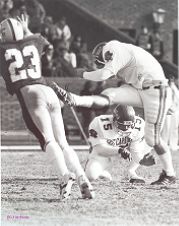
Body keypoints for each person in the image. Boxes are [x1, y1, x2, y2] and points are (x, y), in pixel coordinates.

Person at [52, 40, 176, 185]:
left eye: (102, 61)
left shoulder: (113, 48)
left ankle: (170, 174)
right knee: (109, 93)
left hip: (155, 91)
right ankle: (75, 99)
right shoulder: (124, 53)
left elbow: (104, 74)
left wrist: (84, 74)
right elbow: (113, 76)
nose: (103, 63)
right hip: (143, 90)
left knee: (152, 139)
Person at [0, 15, 94, 199]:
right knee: (63, 142)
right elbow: (44, 42)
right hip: (48, 89)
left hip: (31, 94)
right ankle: (84, 179)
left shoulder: (2, 49)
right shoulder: (34, 41)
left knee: (48, 140)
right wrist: (26, 30)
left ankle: (64, 177)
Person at [85, 105, 155, 183]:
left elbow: (136, 149)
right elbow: (98, 149)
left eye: (128, 125)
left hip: (126, 150)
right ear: (114, 120)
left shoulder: (139, 124)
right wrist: (119, 150)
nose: (126, 129)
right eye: (122, 125)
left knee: (149, 142)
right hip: (105, 153)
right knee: (91, 175)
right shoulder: (99, 123)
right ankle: (102, 171)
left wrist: (141, 160)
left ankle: (130, 172)